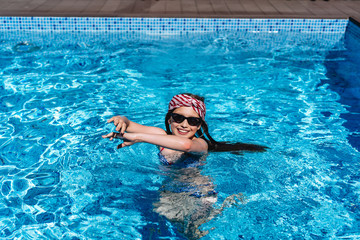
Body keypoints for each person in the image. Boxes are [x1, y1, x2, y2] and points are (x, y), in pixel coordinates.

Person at [102, 93, 266, 238]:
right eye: (178, 118)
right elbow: (130, 124)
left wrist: (139, 137)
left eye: (193, 121)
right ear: (169, 119)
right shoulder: (161, 138)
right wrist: (122, 119)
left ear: (199, 125)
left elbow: (185, 145)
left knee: (192, 233)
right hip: (172, 190)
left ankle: (228, 204)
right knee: (166, 226)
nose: (184, 125)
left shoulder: (200, 144)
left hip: (199, 192)